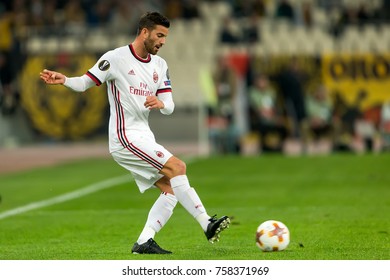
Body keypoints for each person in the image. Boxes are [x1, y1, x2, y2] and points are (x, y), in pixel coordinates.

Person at [39, 11, 230, 254]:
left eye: (165, 37)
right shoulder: (115, 58)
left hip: (143, 136)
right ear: (144, 32)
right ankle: (207, 224)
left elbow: (169, 105)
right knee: (178, 167)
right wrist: (65, 79)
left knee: (170, 190)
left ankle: (143, 242)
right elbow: (85, 82)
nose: (162, 41)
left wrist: (162, 104)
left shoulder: (160, 65)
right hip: (124, 136)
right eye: (159, 35)